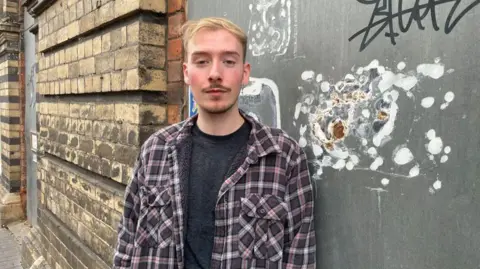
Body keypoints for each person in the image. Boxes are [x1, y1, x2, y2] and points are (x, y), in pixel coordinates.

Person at [112, 16, 316, 269]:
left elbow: (300, 257)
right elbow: (127, 243)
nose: (215, 74)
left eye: (228, 61)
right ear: (187, 72)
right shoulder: (155, 151)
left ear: (244, 73)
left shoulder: (284, 156)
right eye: (202, 61)